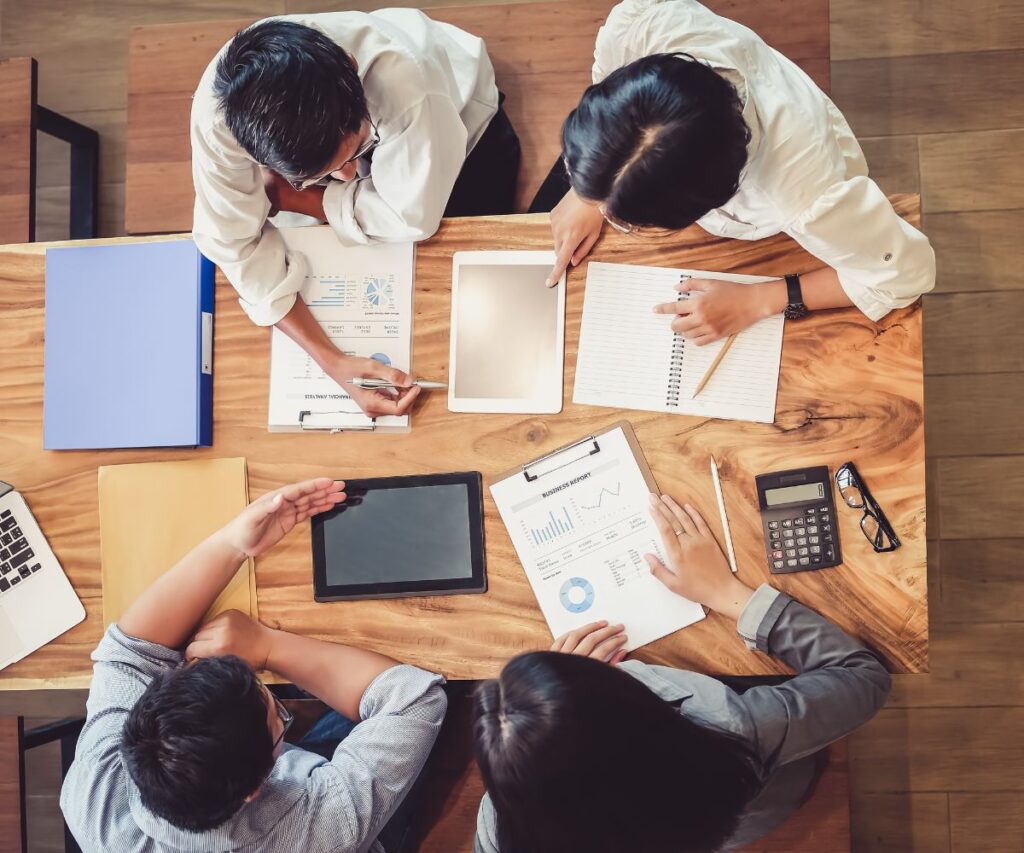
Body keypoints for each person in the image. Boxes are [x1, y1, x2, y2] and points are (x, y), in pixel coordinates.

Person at [472, 492, 892, 852]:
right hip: (751, 804)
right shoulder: (733, 726)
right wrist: (728, 594)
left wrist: (550, 715)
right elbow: (863, 677)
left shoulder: (501, 827)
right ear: (629, 699)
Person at [59, 478, 447, 852]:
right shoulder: (324, 830)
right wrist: (267, 647)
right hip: (331, 819)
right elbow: (415, 697)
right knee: (440, 679)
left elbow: (129, 655)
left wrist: (232, 543)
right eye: (277, 716)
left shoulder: (93, 795)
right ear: (257, 786)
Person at [534, 0, 935, 344]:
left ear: (711, 196)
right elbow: (620, 104)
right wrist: (596, 184)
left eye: (630, 220)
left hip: (802, 181)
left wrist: (759, 300)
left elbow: (904, 275)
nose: (607, 212)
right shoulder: (642, 26)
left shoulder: (804, 196)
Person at [191, 12, 521, 416]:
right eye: (321, 175)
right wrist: (333, 363)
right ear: (251, 151)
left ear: (351, 65)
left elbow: (411, 216)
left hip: (463, 122)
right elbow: (232, 244)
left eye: (356, 151)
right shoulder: (219, 121)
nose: (347, 177)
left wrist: (303, 199)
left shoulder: (408, 84)